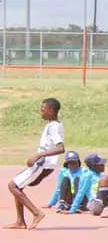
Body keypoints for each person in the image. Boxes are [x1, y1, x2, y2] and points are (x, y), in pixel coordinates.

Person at [4, 97, 65, 230]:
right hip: (44, 163)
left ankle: (36, 213)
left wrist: (38, 155)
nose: (41, 112)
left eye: (43, 110)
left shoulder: (53, 127)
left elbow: (61, 148)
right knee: (18, 186)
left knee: (12, 186)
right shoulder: (53, 125)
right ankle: (20, 221)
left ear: (51, 110)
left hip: (42, 163)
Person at [63, 153, 108, 217]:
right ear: (93, 166)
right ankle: (106, 209)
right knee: (105, 178)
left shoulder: (100, 175)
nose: (103, 165)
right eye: (100, 164)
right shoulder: (87, 175)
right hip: (96, 203)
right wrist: (72, 209)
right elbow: (81, 193)